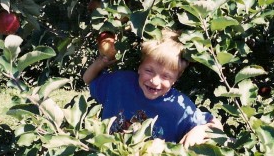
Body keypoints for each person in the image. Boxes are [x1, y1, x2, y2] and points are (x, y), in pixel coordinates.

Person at [83, 29, 223, 147]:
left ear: (176, 79)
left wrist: (200, 130)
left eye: (166, 76)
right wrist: (100, 62)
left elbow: (215, 126)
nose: (155, 81)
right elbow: (88, 80)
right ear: (139, 67)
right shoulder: (120, 83)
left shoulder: (179, 106)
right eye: (149, 71)